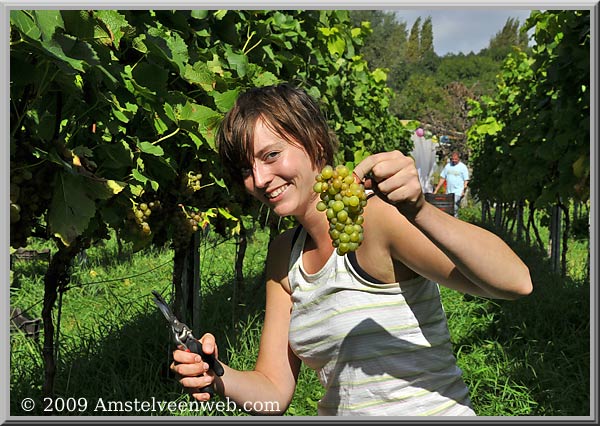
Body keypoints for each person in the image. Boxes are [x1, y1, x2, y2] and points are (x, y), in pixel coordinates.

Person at [171, 83, 533, 416]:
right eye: (245, 169)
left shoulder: (377, 221)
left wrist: (419, 209)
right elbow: (274, 392)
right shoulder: (284, 255)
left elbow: (515, 283)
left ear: (313, 142)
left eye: (271, 155)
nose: (260, 179)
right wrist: (216, 376)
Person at [433, 151, 469, 217]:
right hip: (449, 192)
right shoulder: (448, 166)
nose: (454, 161)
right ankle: (449, 222)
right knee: (448, 208)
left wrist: (464, 191)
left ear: (459, 159)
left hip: (458, 191)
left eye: (456, 159)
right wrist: (436, 190)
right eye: (453, 159)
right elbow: (442, 178)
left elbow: (466, 180)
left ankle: (455, 221)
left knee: (454, 207)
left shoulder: (463, 167)